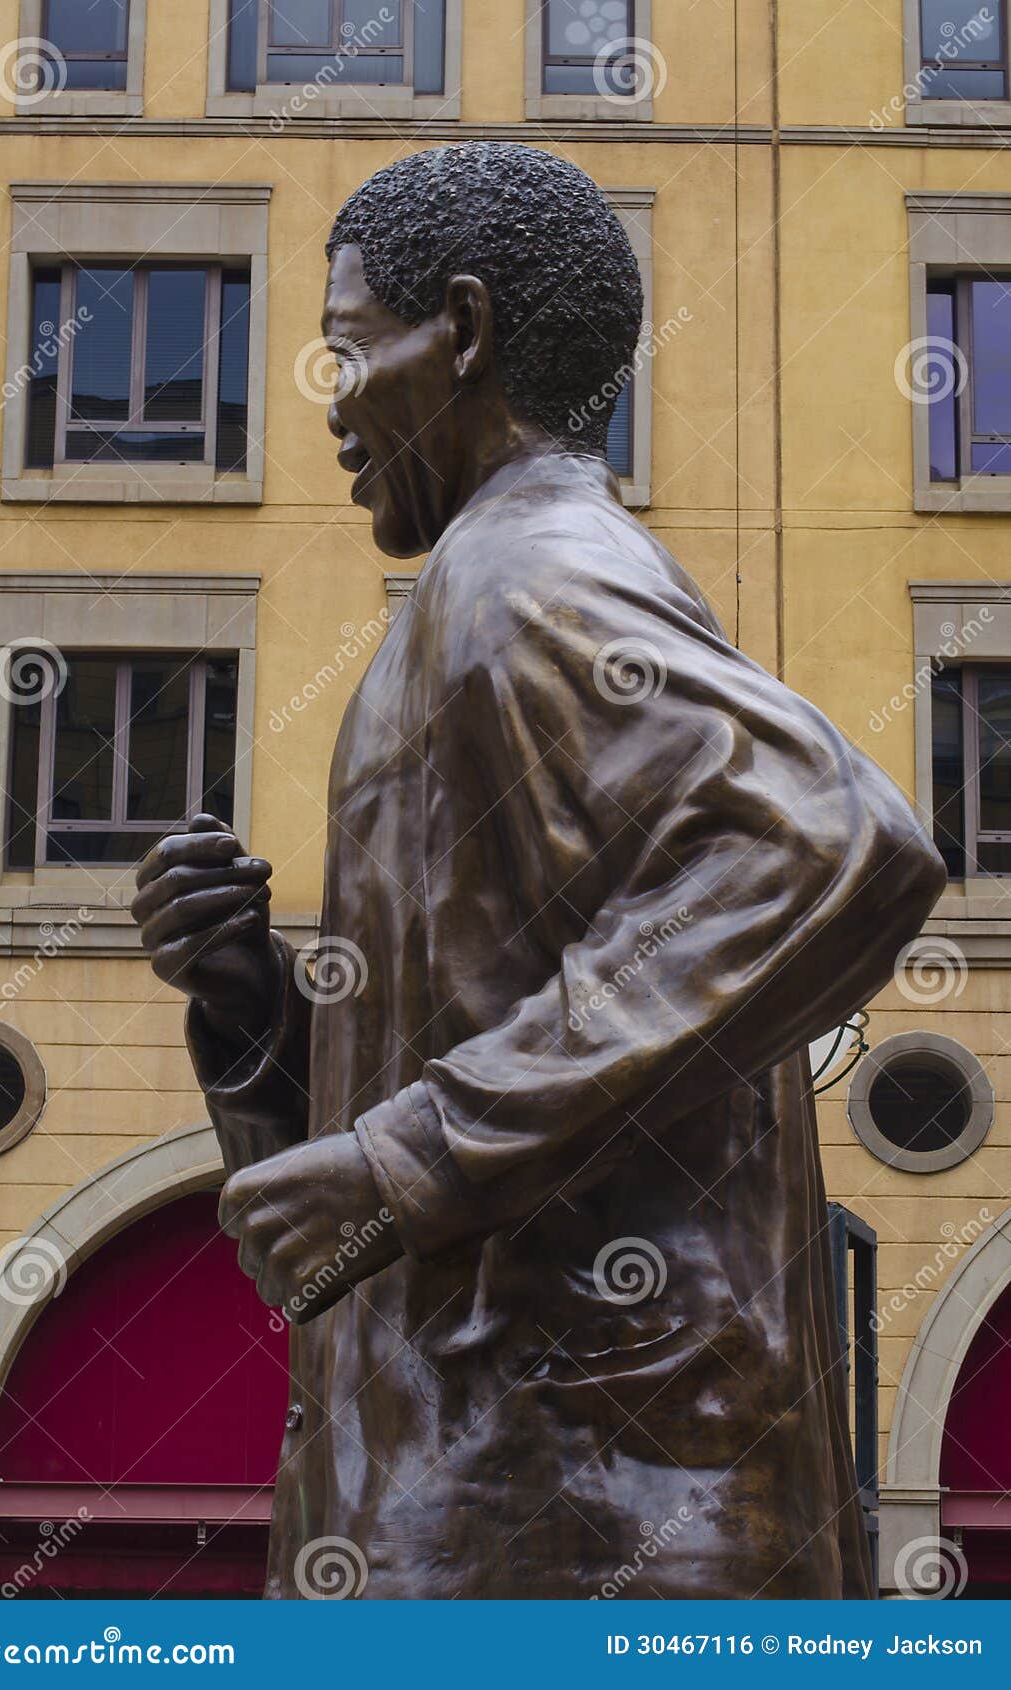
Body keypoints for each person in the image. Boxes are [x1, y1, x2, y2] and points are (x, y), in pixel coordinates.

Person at [132, 142, 945, 1600]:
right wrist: (251, 1008)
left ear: (462, 329)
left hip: (570, 1526)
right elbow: (354, 1229)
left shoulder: (534, 572)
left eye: (345, 349)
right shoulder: (461, 605)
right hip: (470, 1497)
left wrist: (412, 1153)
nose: (327, 409)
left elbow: (831, 840)